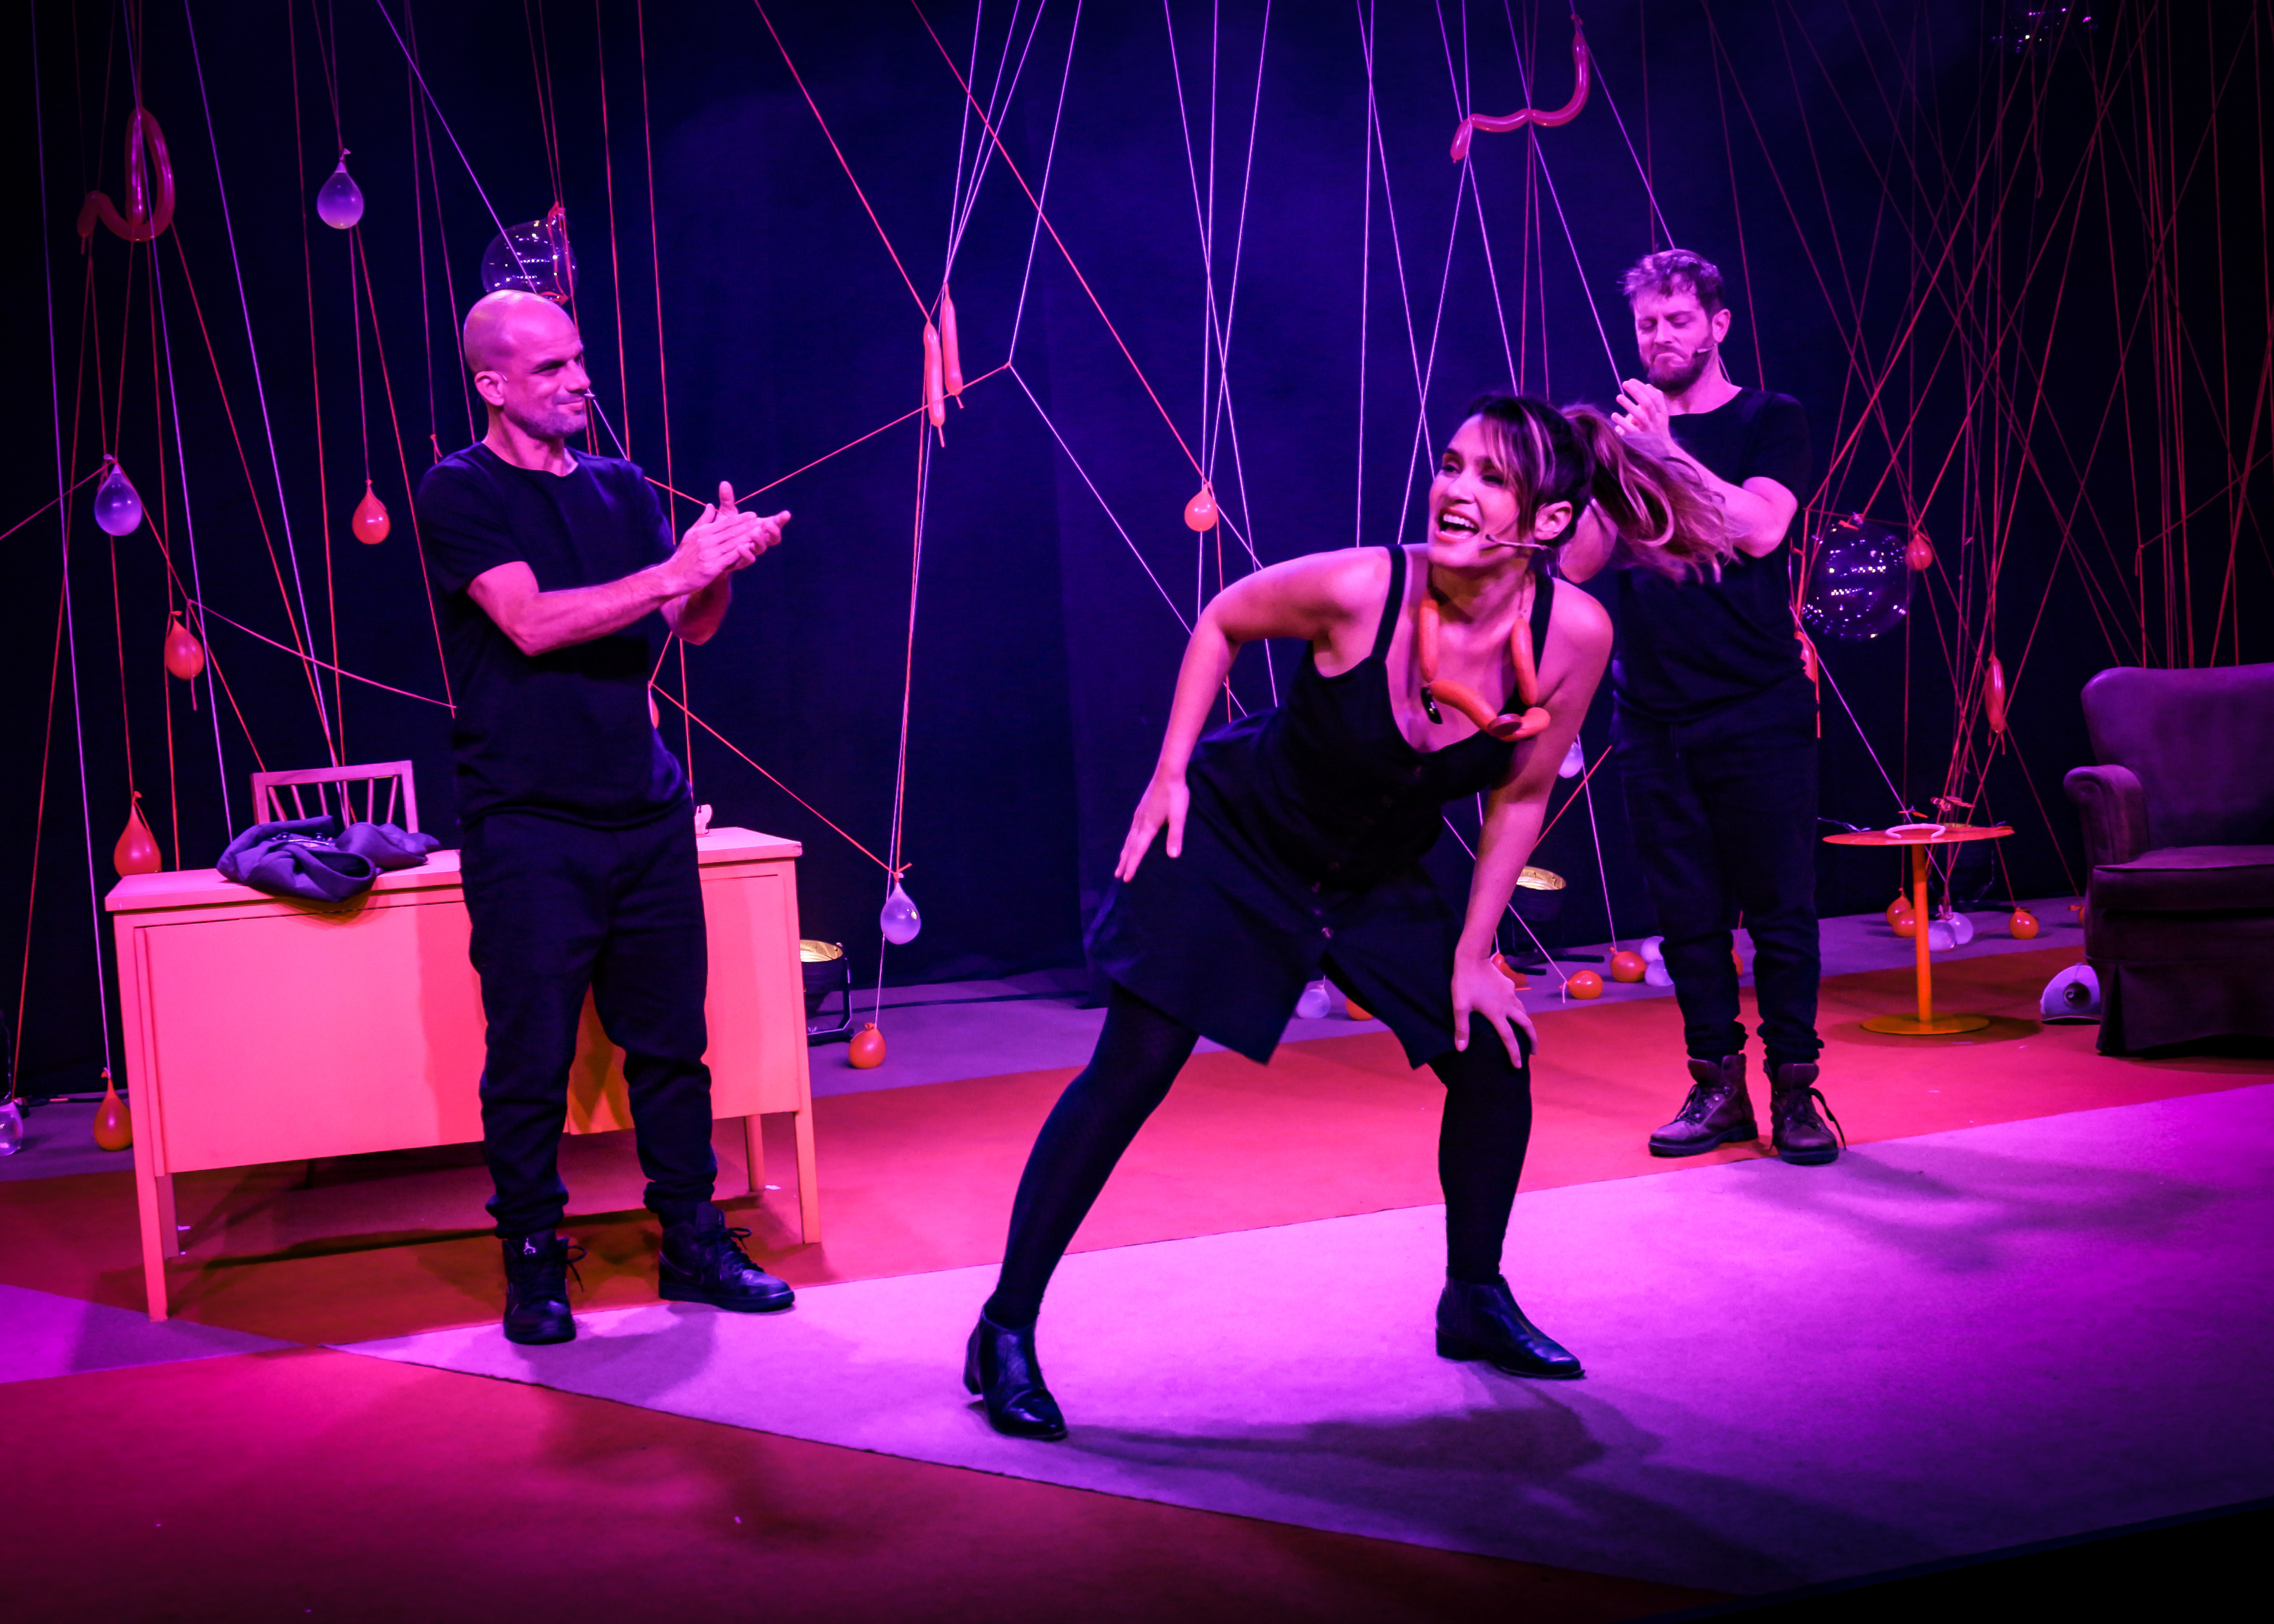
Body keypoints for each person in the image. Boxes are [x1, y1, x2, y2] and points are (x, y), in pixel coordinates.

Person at [964, 395, 1731, 1441]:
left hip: (1373, 873)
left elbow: (1519, 795)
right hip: (1237, 845)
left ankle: (1473, 1296)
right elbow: (1224, 617)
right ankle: (1005, 1325)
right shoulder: (1365, 586)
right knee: (1133, 1070)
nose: (1456, 490)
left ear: (1550, 520)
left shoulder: (1575, 636)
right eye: (1452, 465)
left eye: (1492, 477)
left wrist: (1474, 953)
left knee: (1494, 1055)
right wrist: (1171, 770)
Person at [417, 290, 794, 1345]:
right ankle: (534, 1257)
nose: (580, 380)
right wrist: (675, 570)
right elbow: (531, 623)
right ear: (493, 385)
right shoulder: (460, 489)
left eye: (579, 359)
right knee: (530, 1055)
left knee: (672, 1045)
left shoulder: (622, 489)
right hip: (528, 822)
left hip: (645, 813)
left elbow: (682, 625)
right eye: (552, 368)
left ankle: (692, 1237)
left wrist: (715, 572)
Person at [1558, 248, 1839, 1168]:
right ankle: (1717, 1087)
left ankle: (1796, 1089)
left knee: (1781, 912)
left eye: (1678, 320)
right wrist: (1610, 469)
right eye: (1647, 324)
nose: (1661, 338)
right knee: (1687, 919)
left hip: (1758, 704)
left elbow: (1760, 529)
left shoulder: (1769, 418)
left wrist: (1667, 453)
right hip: (1653, 713)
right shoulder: (1628, 439)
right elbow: (1579, 566)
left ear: (1717, 325)